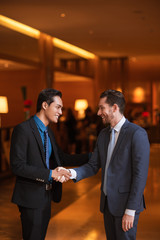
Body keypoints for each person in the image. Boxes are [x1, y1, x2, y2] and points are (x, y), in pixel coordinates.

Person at [62, 89, 150, 240]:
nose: (98, 112)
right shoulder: (103, 135)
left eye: (102, 108)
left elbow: (140, 176)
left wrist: (130, 210)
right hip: (108, 204)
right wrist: (71, 173)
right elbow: (93, 165)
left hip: (126, 206)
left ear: (114, 108)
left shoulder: (137, 134)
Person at [10, 88, 89, 240]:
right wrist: (51, 174)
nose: (61, 112)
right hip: (31, 198)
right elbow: (17, 166)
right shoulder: (23, 130)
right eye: (58, 107)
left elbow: (62, 158)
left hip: (47, 195)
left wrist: (93, 157)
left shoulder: (48, 131)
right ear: (45, 105)